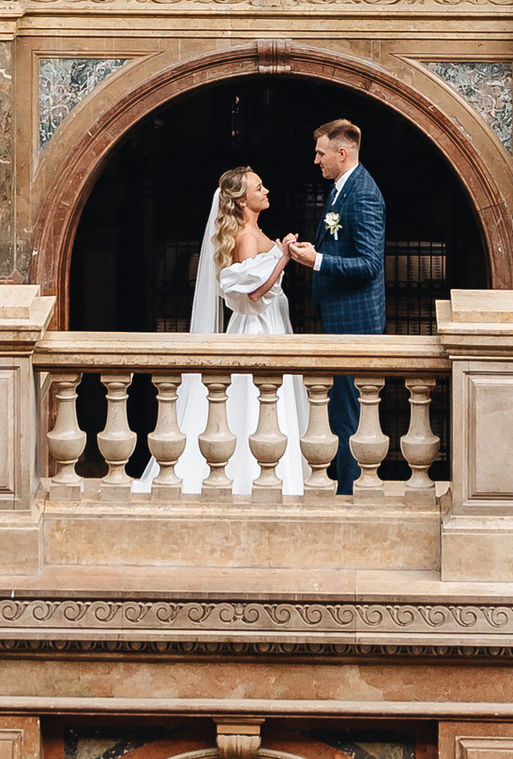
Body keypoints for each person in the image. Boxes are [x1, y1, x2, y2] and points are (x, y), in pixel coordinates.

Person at [137, 161, 307, 496]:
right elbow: (253, 293)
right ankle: (250, 475)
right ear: (242, 200)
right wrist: (283, 259)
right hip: (258, 327)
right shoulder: (245, 237)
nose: (266, 190)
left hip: (272, 322)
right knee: (256, 399)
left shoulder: (256, 233)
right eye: (259, 187)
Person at [286, 115, 386, 494]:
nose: (316, 160)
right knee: (343, 407)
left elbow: (370, 264)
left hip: (357, 320)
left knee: (350, 411)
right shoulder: (343, 188)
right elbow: (342, 242)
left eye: (321, 153)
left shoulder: (363, 192)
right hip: (341, 313)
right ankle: (346, 484)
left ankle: (352, 490)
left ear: (342, 153)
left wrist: (319, 261)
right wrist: (318, 250)